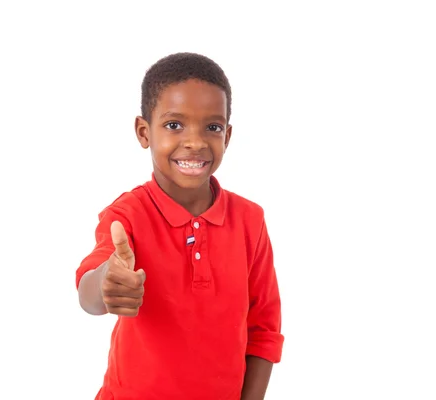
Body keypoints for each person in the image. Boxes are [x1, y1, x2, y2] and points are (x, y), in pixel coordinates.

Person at [76, 52, 284, 400]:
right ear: (144, 132)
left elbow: (263, 328)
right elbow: (89, 291)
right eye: (174, 125)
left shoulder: (250, 220)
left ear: (227, 136)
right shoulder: (127, 214)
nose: (195, 142)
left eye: (212, 127)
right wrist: (106, 282)